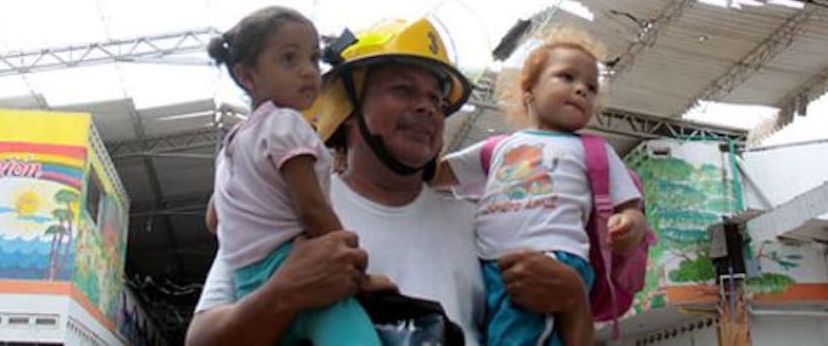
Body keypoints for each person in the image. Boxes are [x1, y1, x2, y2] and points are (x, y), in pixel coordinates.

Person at [187, 17, 591, 346]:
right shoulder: (279, 210)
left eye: (436, 99)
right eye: (403, 89)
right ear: (347, 110)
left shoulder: (482, 223)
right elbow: (201, 339)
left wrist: (574, 302)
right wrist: (284, 293)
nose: (427, 108)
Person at [433, 36, 649, 346]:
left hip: (554, 257)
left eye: (591, 88)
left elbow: (631, 206)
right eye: (567, 76)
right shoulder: (497, 148)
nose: (581, 90)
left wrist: (631, 224)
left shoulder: (594, 149)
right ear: (528, 90)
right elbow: (435, 174)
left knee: (517, 338)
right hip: (490, 263)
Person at [204, 6, 380, 346]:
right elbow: (312, 208)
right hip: (303, 273)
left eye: (313, 59)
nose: (307, 72)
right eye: (289, 59)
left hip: (248, 286)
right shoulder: (285, 123)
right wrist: (357, 269)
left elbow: (214, 221)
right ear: (247, 76)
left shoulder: (231, 146)